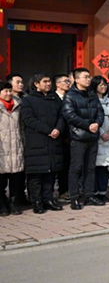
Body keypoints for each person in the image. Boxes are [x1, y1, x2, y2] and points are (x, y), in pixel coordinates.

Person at [20, 74, 65, 214]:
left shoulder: (54, 98)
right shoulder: (28, 100)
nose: (48, 84)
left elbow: (62, 116)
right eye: (44, 82)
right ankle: (37, 201)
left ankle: (49, 199)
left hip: (53, 141)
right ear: (36, 84)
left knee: (50, 173)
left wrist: (58, 129)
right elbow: (29, 119)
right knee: (36, 175)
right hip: (37, 141)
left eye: (49, 81)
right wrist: (48, 130)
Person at [62, 68, 104, 210]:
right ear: (77, 79)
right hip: (79, 137)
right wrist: (88, 125)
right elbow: (70, 115)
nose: (89, 79)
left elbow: (100, 112)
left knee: (90, 168)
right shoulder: (70, 96)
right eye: (85, 77)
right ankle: (74, 197)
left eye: (89, 76)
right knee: (76, 168)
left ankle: (89, 195)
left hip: (93, 137)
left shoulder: (92, 95)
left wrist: (97, 124)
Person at [0, 82, 24, 216]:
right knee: (1, 180)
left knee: (16, 179)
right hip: (2, 148)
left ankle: (14, 202)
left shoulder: (18, 105)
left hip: (16, 146)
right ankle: (2, 204)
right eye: (5, 91)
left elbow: (22, 127)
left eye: (10, 91)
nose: (8, 94)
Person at [91, 76, 109, 203]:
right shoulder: (91, 100)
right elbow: (92, 119)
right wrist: (102, 133)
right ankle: (94, 192)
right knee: (96, 166)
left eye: (105, 84)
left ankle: (103, 192)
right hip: (97, 136)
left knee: (105, 166)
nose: (103, 87)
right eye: (100, 84)